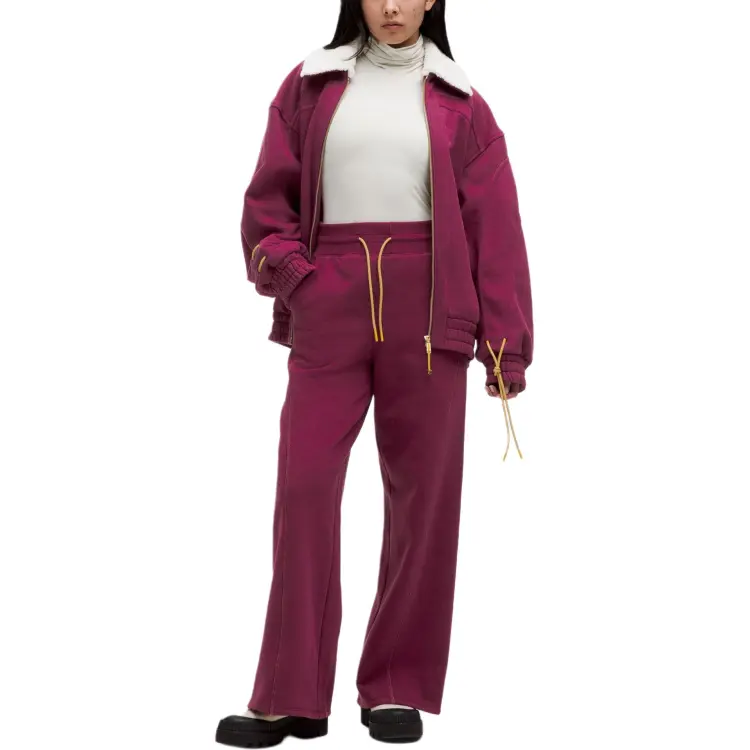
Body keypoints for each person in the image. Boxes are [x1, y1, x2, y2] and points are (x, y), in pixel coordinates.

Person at [216, 0, 533, 745]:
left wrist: (506, 343)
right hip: (328, 303)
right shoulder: (310, 85)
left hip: (430, 309)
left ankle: (394, 686)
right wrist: (297, 277)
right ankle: (288, 694)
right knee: (303, 488)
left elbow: (495, 227)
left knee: (424, 501)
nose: (391, 6)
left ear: (433, 0)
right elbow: (267, 201)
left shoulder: (463, 103)